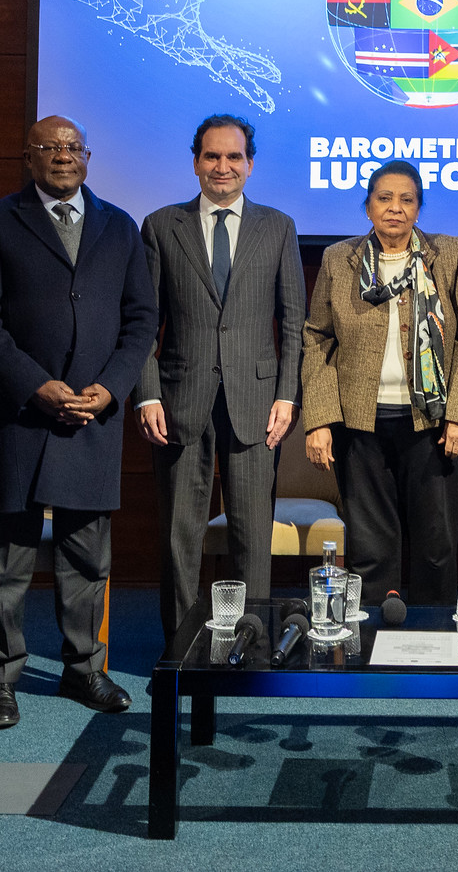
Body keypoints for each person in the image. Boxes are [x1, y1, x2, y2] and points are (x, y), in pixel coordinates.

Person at [0, 115, 157, 730]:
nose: (63, 155)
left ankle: (84, 670)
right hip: (22, 414)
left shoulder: (119, 226)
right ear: (29, 157)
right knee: (7, 560)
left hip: (92, 417)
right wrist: (33, 383)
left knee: (87, 559)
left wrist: (111, 388)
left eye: (73, 147)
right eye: (50, 146)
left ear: (88, 157)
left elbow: (141, 321)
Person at [138, 114, 305, 639]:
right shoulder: (161, 226)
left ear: (250, 165)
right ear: (195, 163)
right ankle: (181, 647)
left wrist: (287, 396)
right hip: (178, 400)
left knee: (252, 537)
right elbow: (143, 323)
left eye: (234, 157)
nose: (223, 166)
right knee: (179, 535)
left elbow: (293, 323)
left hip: (257, 402)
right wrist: (147, 395)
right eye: (212, 156)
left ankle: (248, 644)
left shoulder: (278, 227)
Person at [301, 160, 458, 605]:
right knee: (370, 551)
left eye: (407, 199)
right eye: (384, 198)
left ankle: (434, 639)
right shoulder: (339, 259)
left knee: (436, 550)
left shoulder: (451, 254)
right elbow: (317, 338)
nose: (395, 208)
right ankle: (372, 639)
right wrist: (320, 420)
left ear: (419, 208)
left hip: (434, 423)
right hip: (359, 425)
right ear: (368, 207)